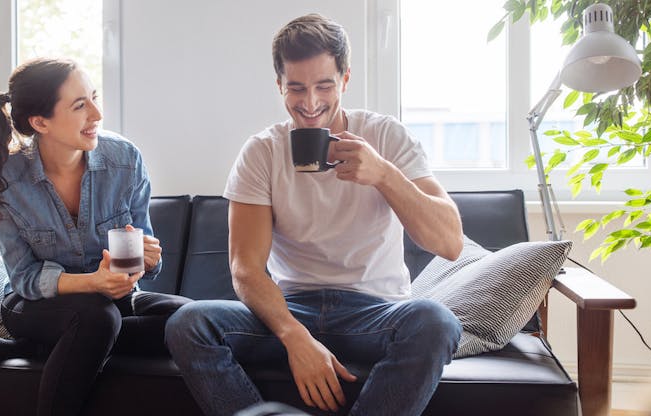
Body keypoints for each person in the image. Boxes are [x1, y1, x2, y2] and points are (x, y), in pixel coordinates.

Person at [165, 14, 464, 416]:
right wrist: (294, 336)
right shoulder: (262, 152)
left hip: (375, 311)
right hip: (290, 307)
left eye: (324, 85)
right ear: (279, 86)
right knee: (188, 324)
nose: (309, 103)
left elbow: (449, 243)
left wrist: (384, 175)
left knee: (437, 322)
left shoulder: (386, 137)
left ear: (345, 79)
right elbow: (246, 269)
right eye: (296, 88)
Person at [0, 57, 191, 416]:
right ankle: (50, 339)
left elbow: (144, 254)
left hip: (113, 303)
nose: (97, 114)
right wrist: (93, 282)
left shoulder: (124, 160)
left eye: (94, 97)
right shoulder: (5, 183)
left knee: (192, 321)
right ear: (40, 122)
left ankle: (41, 348)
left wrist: (147, 260)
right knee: (98, 318)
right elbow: (24, 279)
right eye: (79, 105)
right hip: (34, 305)